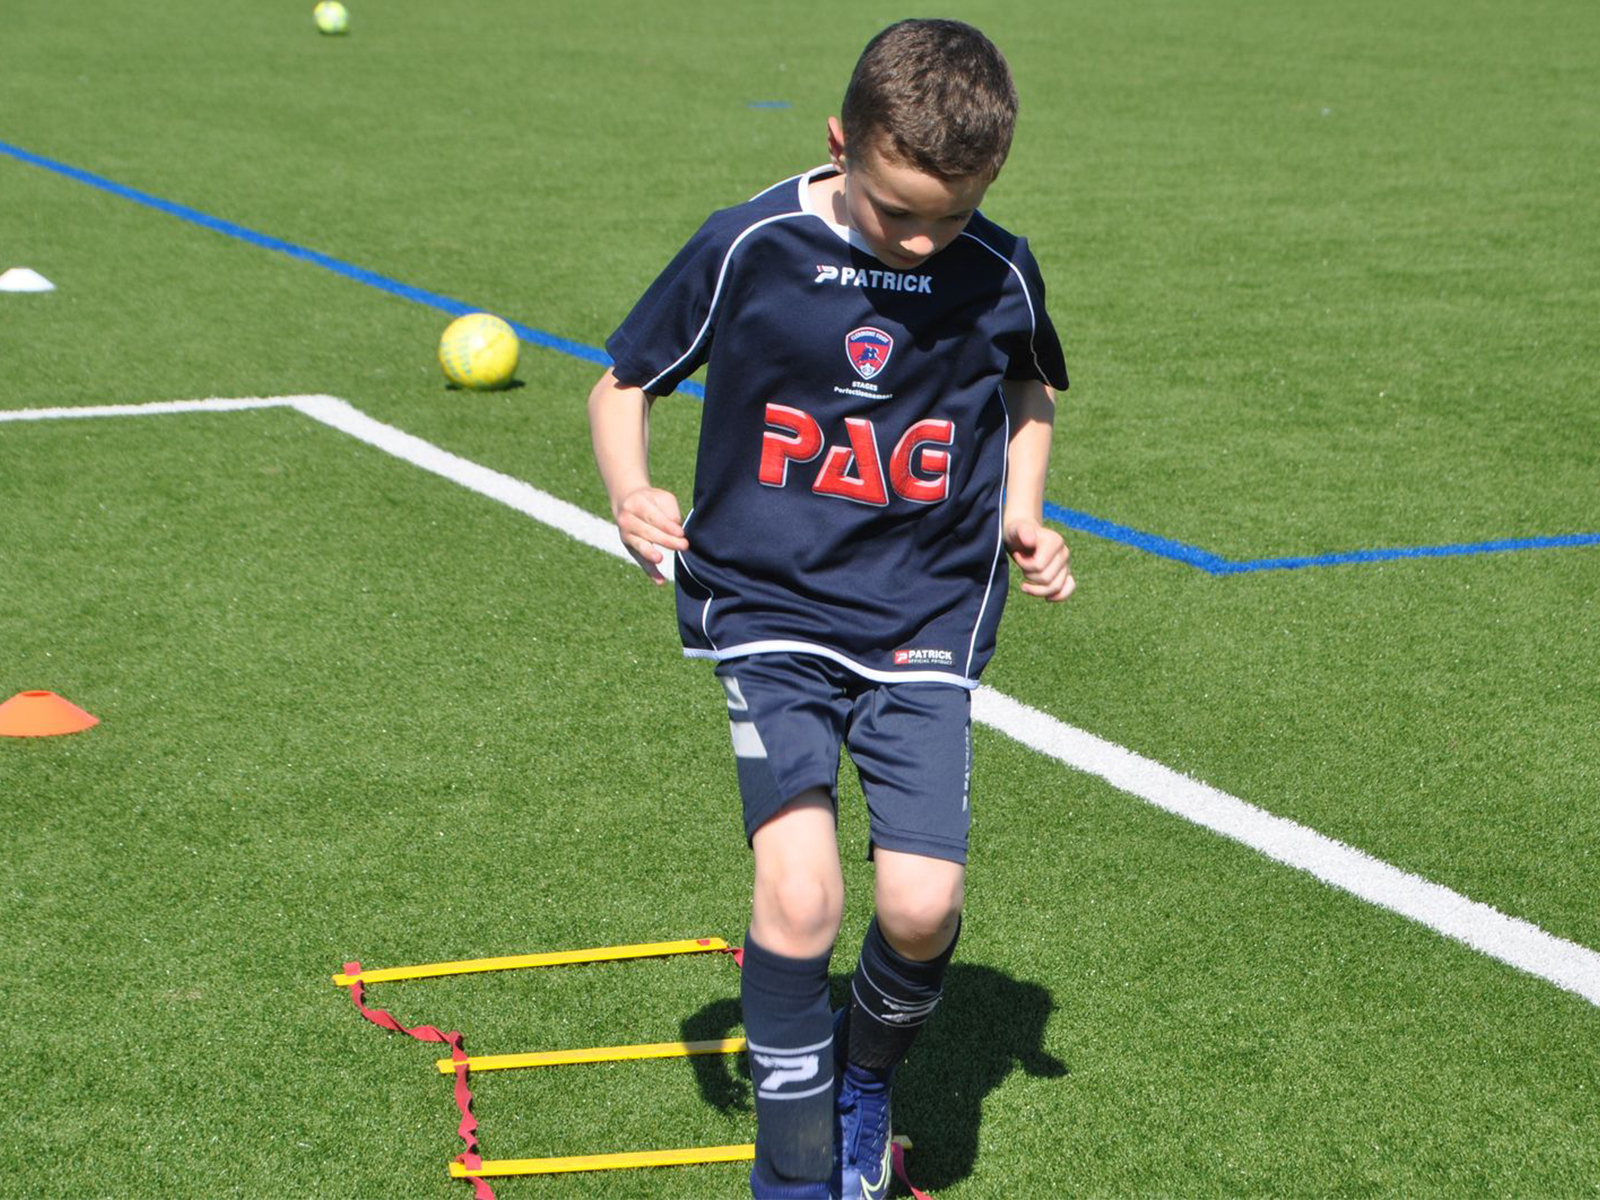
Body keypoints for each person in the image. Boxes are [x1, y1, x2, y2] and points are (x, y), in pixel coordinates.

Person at [588, 18, 1073, 1198]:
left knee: (920, 905)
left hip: (927, 611)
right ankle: (796, 1178)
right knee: (800, 896)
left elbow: (1029, 389)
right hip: (767, 605)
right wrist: (631, 489)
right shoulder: (749, 242)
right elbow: (625, 381)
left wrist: (1025, 512)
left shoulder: (996, 268)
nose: (918, 243)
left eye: (947, 217)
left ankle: (864, 1076)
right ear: (838, 142)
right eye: (893, 208)